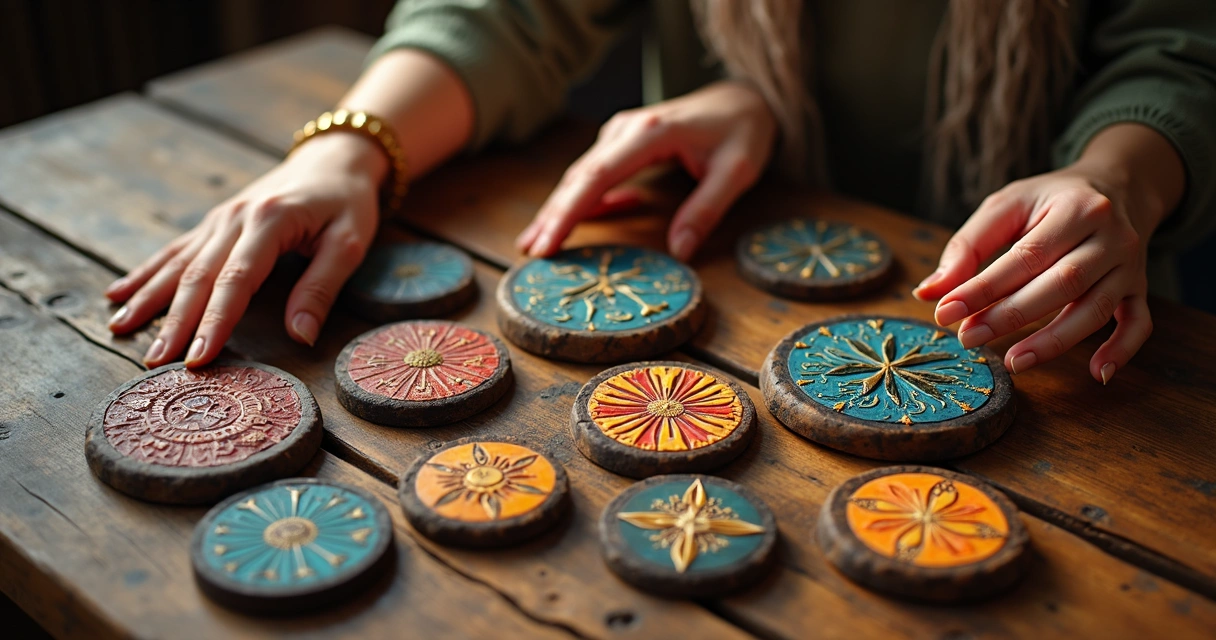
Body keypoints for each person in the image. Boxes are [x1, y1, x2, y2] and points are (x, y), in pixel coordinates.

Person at [106, 0, 1216, 386]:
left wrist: (1110, 175)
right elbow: (510, 12)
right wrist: (347, 149)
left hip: (1054, 303)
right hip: (715, 225)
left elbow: (1178, 47)